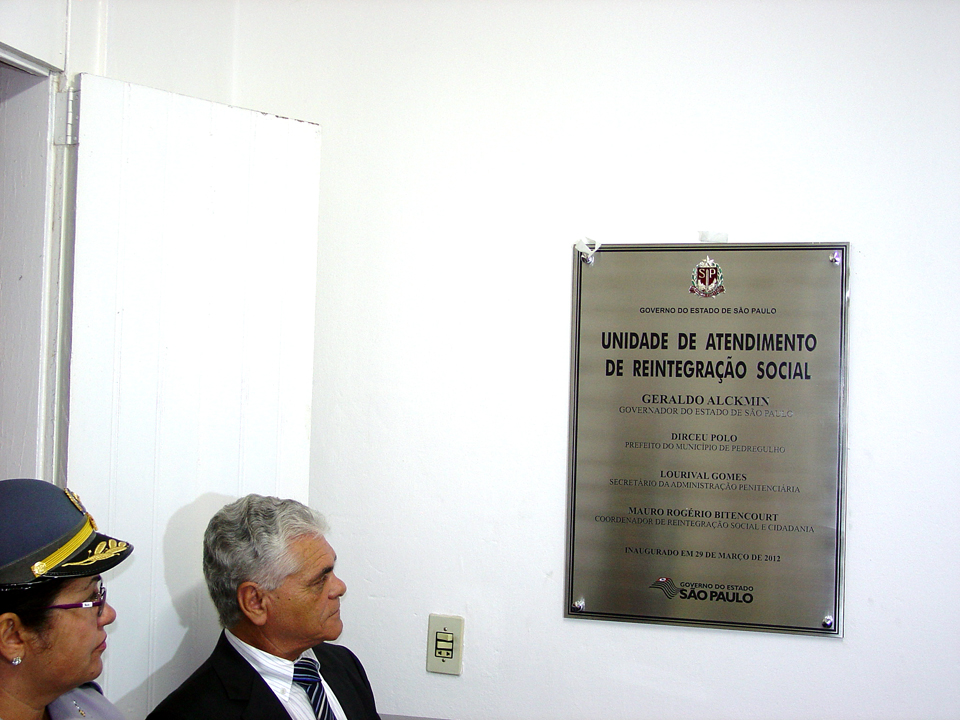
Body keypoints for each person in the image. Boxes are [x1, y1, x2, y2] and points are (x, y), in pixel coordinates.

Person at [147, 494, 380, 720]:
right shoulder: (189, 714)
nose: (339, 587)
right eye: (319, 580)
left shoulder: (344, 666)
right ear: (255, 602)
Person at [0, 478, 134, 720]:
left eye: (99, 593)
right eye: (91, 599)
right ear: (12, 636)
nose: (108, 615)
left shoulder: (91, 708)